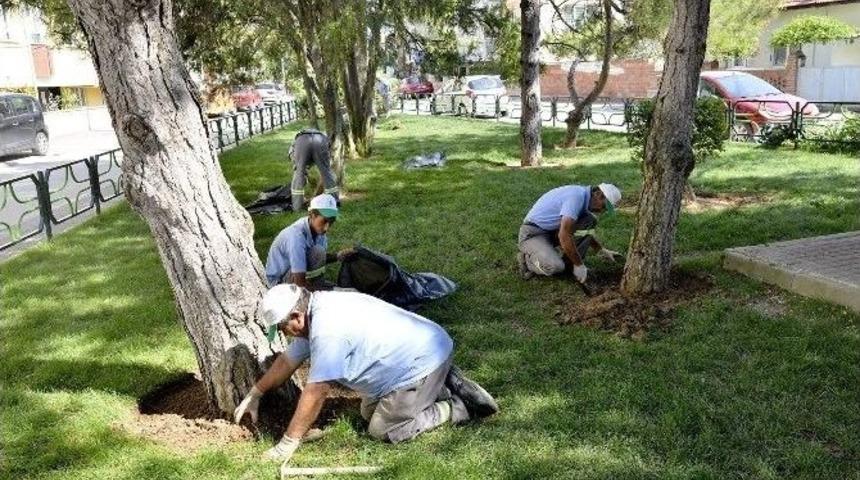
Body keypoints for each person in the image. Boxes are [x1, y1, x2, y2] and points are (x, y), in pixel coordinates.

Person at [233, 284, 499, 463]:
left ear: (296, 316)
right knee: (367, 414)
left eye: (281, 328)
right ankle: (441, 383)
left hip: (422, 359)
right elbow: (286, 362)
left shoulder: (328, 331)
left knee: (384, 429)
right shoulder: (318, 306)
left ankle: (457, 406)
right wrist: (257, 392)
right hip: (418, 350)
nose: (282, 334)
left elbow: (316, 391)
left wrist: (288, 443)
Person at [517, 183, 622, 283]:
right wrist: (579, 264)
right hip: (533, 233)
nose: (601, 211)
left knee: (589, 220)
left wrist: (600, 249)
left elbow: (583, 232)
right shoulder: (576, 197)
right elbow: (564, 235)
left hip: (552, 231)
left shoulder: (583, 198)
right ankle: (527, 260)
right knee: (555, 266)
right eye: (603, 206)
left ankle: (570, 265)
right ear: (598, 194)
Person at [265, 194, 353, 290]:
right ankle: (316, 290)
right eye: (324, 221)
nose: (327, 227)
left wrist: (337, 256)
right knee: (318, 252)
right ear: (312, 215)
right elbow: (300, 284)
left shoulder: (318, 231)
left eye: (331, 221)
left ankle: (317, 286)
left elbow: (315, 258)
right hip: (278, 284)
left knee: (318, 252)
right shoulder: (296, 236)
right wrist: (328, 291)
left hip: (295, 275)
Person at [289, 128, 339, 212]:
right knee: (327, 173)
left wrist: (302, 171)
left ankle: (297, 206)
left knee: (298, 174)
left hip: (302, 141)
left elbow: (297, 166)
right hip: (321, 140)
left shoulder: (293, 147)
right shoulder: (325, 139)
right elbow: (326, 168)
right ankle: (334, 202)